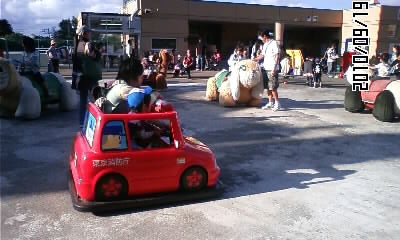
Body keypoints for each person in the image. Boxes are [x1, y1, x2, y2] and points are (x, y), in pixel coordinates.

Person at [72, 25, 101, 127]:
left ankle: (81, 122)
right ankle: (98, 120)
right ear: (84, 33)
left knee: (83, 100)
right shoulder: (87, 44)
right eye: (89, 32)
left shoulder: (76, 45)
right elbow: (93, 56)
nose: (90, 34)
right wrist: (98, 52)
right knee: (97, 98)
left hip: (79, 78)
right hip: (89, 77)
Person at [253, 30, 281, 111]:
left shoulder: (274, 43)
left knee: (273, 87)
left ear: (265, 36)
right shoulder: (265, 44)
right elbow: (262, 55)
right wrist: (254, 59)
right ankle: (270, 102)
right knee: (268, 87)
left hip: (272, 68)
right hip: (265, 68)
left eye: (261, 38)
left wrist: (274, 68)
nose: (261, 40)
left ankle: (277, 103)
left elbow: (277, 55)